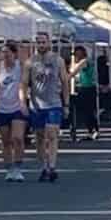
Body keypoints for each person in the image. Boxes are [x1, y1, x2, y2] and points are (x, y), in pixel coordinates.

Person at [23, 32, 70, 183]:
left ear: (49, 43)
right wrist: (23, 101)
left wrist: (66, 103)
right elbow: (24, 83)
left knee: (52, 134)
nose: (41, 45)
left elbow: (64, 82)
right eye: (38, 42)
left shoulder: (58, 60)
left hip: (54, 103)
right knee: (40, 136)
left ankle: (52, 166)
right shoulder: (30, 62)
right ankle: (44, 166)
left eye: (43, 42)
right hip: (37, 104)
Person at [0, 42, 29, 182]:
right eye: (3, 52)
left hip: (17, 107)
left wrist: (24, 102)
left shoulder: (21, 66)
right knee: (6, 141)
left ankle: (18, 167)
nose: (5, 55)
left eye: (8, 52)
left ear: (14, 54)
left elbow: (23, 83)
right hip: (2, 108)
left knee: (17, 138)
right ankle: (9, 169)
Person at [69, 46, 100, 143]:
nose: (76, 56)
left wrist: (64, 79)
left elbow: (73, 73)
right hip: (85, 88)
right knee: (87, 111)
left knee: (88, 111)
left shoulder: (84, 62)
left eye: (78, 54)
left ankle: (93, 130)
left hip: (88, 88)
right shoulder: (84, 62)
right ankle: (92, 130)